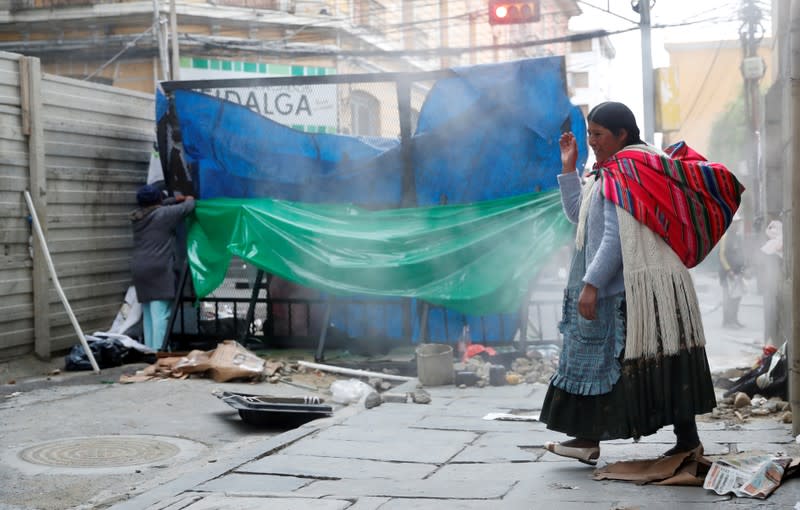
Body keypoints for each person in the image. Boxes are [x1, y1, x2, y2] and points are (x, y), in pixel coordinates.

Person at [539, 101, 741, 466]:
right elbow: (577, 216)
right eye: (589, 135)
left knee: (641, 361)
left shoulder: (630, 169)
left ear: (622, 134)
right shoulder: (609, 172)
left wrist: (591, 284)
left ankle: (677, 441)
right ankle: (601, 440)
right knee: (637, 360)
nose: (593, 142)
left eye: (598, 135)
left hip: (633, 291)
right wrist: (569, 168)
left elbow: (616, 238)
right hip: (628, 289)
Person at [130, 184, 196, 350]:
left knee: (149, 315)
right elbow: (188, 207)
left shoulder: (138, 217)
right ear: (158, 199)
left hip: (139, 269)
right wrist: (188, 198)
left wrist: (173, 199)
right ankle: (160, 353)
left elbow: (161, 205)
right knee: (161, 314)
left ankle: (150, 351)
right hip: (158, 269)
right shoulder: (164, 215)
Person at [718, 216, 747, 328]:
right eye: (735, 223)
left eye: (738, 223)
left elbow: (741, 253)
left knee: (737, 296)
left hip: (737, 273)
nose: (737, 225)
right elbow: (721, 255)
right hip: (727, 274)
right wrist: (728, 269)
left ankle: (734, 319)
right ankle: (727, 321)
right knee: (728, 297)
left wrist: (743, 268)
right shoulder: (725, 236)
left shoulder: (738, 237)